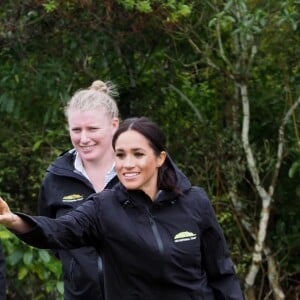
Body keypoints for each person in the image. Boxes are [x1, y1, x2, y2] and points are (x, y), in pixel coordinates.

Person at [0, 117, 244, 300]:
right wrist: (13, 220)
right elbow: (59, 230)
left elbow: (221, 273)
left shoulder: (195, 202)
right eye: (120, 155)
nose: (127, 164)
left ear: (160, 158)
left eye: (138, 154)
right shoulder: (104, 207)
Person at [37, 80, 120, 299]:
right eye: (76, 130)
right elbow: (53, 236)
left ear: (114, 125)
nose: (84, 139)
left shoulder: (138, 170)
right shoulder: (56, 177)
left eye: (92, 129)